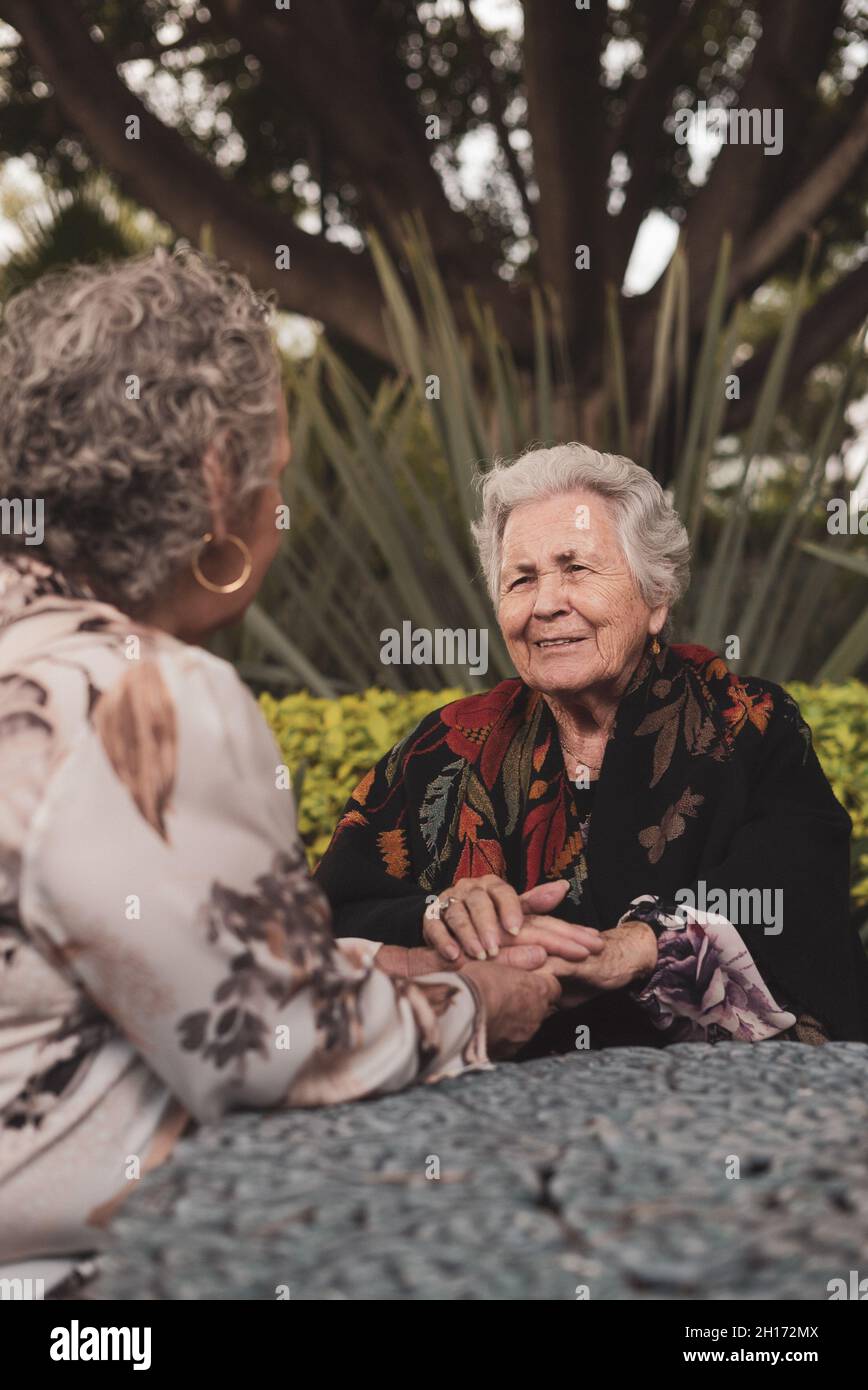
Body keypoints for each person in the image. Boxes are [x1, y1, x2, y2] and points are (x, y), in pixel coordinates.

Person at [0, 250, 562, 1294]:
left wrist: (361, 961)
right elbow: (284, 1046)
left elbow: (152, 962)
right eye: (280, 466)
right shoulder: (141, 701)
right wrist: (485, 997)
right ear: (221, 476)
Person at [317, 444, 868, 1052]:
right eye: (521, 579)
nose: (547, 603)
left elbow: (794, 894)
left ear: (655, 596)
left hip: (715, 1112)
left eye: (576, 568)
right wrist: (437, 916)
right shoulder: (443, 747)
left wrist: (635, 947)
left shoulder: (749, 726)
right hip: (491, 1112)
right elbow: (327, 919)